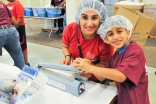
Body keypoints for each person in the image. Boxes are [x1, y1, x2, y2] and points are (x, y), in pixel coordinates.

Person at [73, 15, 149, 104]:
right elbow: (104, 75)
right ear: (106, 39)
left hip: (135, 100)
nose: (116, 37)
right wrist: (89, 70)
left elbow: (120, 76)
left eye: (119, 31)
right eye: (110, 34)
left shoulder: (135, 51)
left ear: (128, 33)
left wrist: (90, 68)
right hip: (123, 98)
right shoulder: (116, 55)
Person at [61, 0, 114, 83]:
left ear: (101, 19)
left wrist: (91, 69)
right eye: (85, 17)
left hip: (97, 81)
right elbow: (65, 46)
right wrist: (67, 56)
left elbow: (104, 65)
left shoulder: (105, 40)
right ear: (79, 17)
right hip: (76, 75)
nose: (89, 24)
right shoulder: (70, 30)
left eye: (94, 18)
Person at [0, 1, 24, 70]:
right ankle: (22, 76)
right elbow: (15, 23)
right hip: (11, 30)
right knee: (18, 58)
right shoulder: (2, 4)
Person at [7, 0, 30, 66]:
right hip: (11, 28)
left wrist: (15, 28)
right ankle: (18, 63)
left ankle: (26, 63)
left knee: (23, 46)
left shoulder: (18, 5)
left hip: (19, 27)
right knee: (15, 46)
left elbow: (20, 19)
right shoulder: (7, 5)